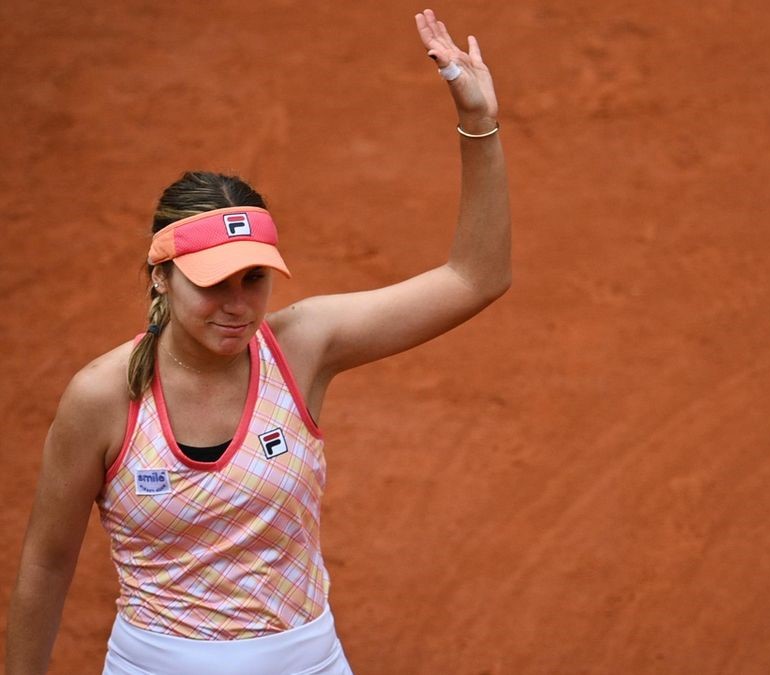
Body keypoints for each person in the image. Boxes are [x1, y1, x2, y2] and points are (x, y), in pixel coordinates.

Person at [5, 8, 509, 674]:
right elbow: (46, 562)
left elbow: (476, 277)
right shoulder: (101, 396)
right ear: (161, 275)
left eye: (253, 279)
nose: (237, 304)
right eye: (213, 283)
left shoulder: (301, 347)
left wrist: (479, 125)